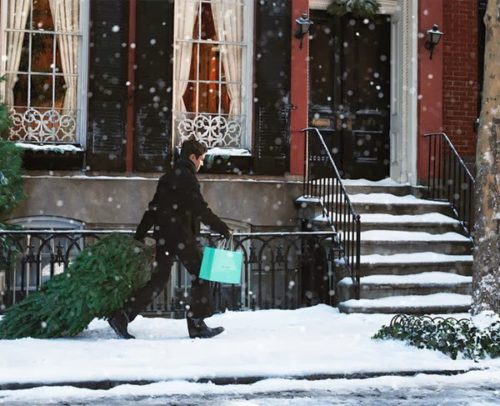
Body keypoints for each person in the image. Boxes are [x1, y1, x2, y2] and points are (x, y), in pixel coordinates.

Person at [108, 138, 232, 339]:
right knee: (203, 273)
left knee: (158, 280)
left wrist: (140, 235)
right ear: (193, 157)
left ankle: (122, 315)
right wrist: (222, 228)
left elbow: (153, 208)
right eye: (201, 159)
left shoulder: (168, 176)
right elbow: (199, 208)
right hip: (181, 236)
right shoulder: (187, 177)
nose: (202, 163)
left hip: (165, 236)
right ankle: (197, 324)